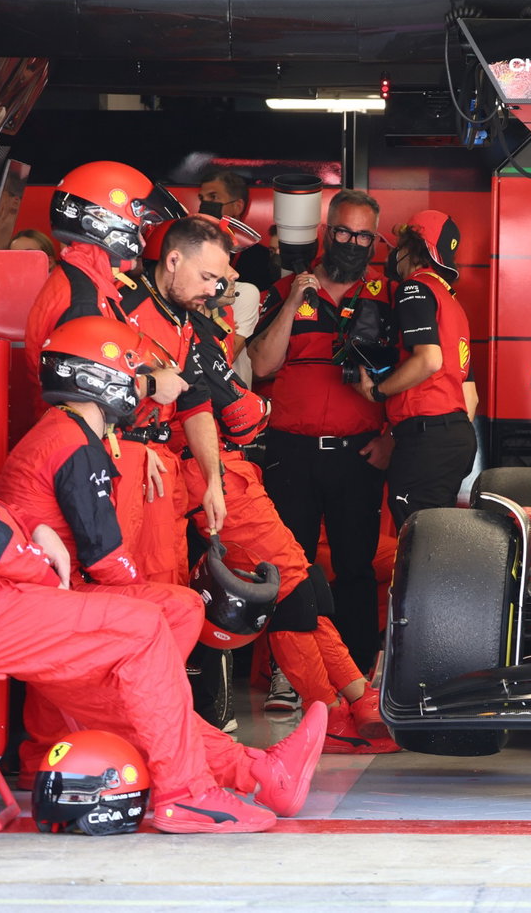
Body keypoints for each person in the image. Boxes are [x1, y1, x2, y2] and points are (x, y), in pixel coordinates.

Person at [0, 335, 325, 833]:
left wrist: (31, 536)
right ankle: (185, 794)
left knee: (128, 676)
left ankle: (259, 773)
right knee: (141, 632)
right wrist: (45, 572)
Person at [144, 216, 397, 754]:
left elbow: (229, 398)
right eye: (215, 279)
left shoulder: (189, 323)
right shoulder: (162, 321)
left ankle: (350, 701)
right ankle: (335, 709)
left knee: (301, 586)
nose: (221, 290)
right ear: (175, 262)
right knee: (288, 589)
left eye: (226, 283)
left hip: (209, 471)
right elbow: (237, 408)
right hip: (197, 472)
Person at [23, 161, 193, 585]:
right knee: (131, 589)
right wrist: (153, 388)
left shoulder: (91, 286)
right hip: (98, 459)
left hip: (114, 452)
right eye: (138, 225)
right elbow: (79, 390)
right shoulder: (80, 296)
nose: (140, 238)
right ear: (105, 221)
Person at [246, 189, 392, 669]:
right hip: (292, 452)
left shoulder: (388, 296)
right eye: (344, 232)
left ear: (374, 241)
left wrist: (391, 436)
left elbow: (414, 374)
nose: (353, 242)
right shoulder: (287, 289)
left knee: (356, 567)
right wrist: (292, 301)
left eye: (363, 236)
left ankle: (356, 672)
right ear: (327, 232)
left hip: (358, 454)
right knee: (290, 564)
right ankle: (290, 674)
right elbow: (262, 361)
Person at [360, 209, 478, 532]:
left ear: (414, 248)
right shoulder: (454, 305)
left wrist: (376, 390)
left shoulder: (414, 288)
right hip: (456, 438)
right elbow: (471, 398)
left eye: (400, 244)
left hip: (428, 441)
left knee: (419, 542)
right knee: (433, 539)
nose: (395, 252)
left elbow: (429, 360)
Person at [198, 170, 279, 291]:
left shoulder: (259, 258)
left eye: (213, 197)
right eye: (202, 199)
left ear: (237, 207)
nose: (205, 204)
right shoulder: (192, 247)